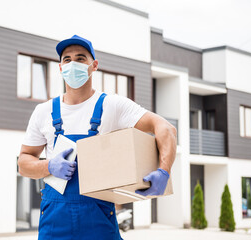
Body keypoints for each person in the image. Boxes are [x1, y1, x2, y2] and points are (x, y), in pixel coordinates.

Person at [18, 35, 177, 240]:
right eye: (67, 59)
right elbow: (23, 163)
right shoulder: (44, 111)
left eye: (80, 58)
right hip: (55, 221)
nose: (72, 64)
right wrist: (48, 166)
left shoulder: (113, 105)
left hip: (98, 221)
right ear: (60, 67)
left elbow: (165, 128)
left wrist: (164, 171)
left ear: (94, 65)